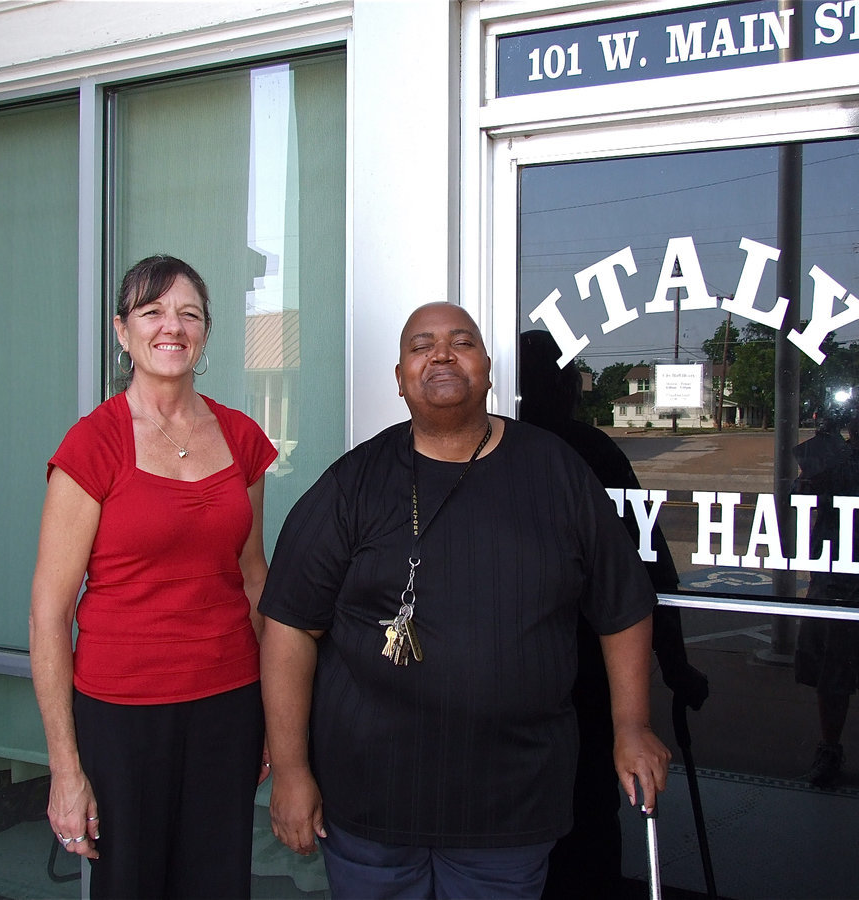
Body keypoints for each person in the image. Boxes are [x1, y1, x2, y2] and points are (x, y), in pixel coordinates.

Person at [258, 302, 671, 900]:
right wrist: (292, 771)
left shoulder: (556, 471)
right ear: (400, 378)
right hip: (371, 803)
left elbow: (622, 605)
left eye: (462, 341)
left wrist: (632, 725)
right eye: (421, 346)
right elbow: (289, 626)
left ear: (487, 371)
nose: (442, 354)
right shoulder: (352, 483)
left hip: (509, 804)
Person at [29, 255, 277, 898]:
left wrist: (276, 716)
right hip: (121, 714)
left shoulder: (243, 438)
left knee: (218, 883)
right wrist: (65, 769)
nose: (172, 326)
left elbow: (253, 580)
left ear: (206, 331)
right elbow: (49, 613)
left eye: (189, 313)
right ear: (123, 331)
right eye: (152, 311)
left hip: (229, 703)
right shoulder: (94, 446)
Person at [519, 330, 707, 899]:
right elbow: (651, 569)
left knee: (588, 797)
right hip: (547, 669)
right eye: (563, 378)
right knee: (574, 804)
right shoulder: (523, 451)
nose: (570, 390)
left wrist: (674, 665)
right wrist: (675, 666)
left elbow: (643, 565)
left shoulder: (588, 451)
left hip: (587, 665)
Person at [793, 382, 859, 788]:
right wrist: (827, 435)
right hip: (834, 575)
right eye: (858, 411)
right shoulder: (833, 454)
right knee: (833, 672)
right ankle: (829, 749)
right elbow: (802, 494)